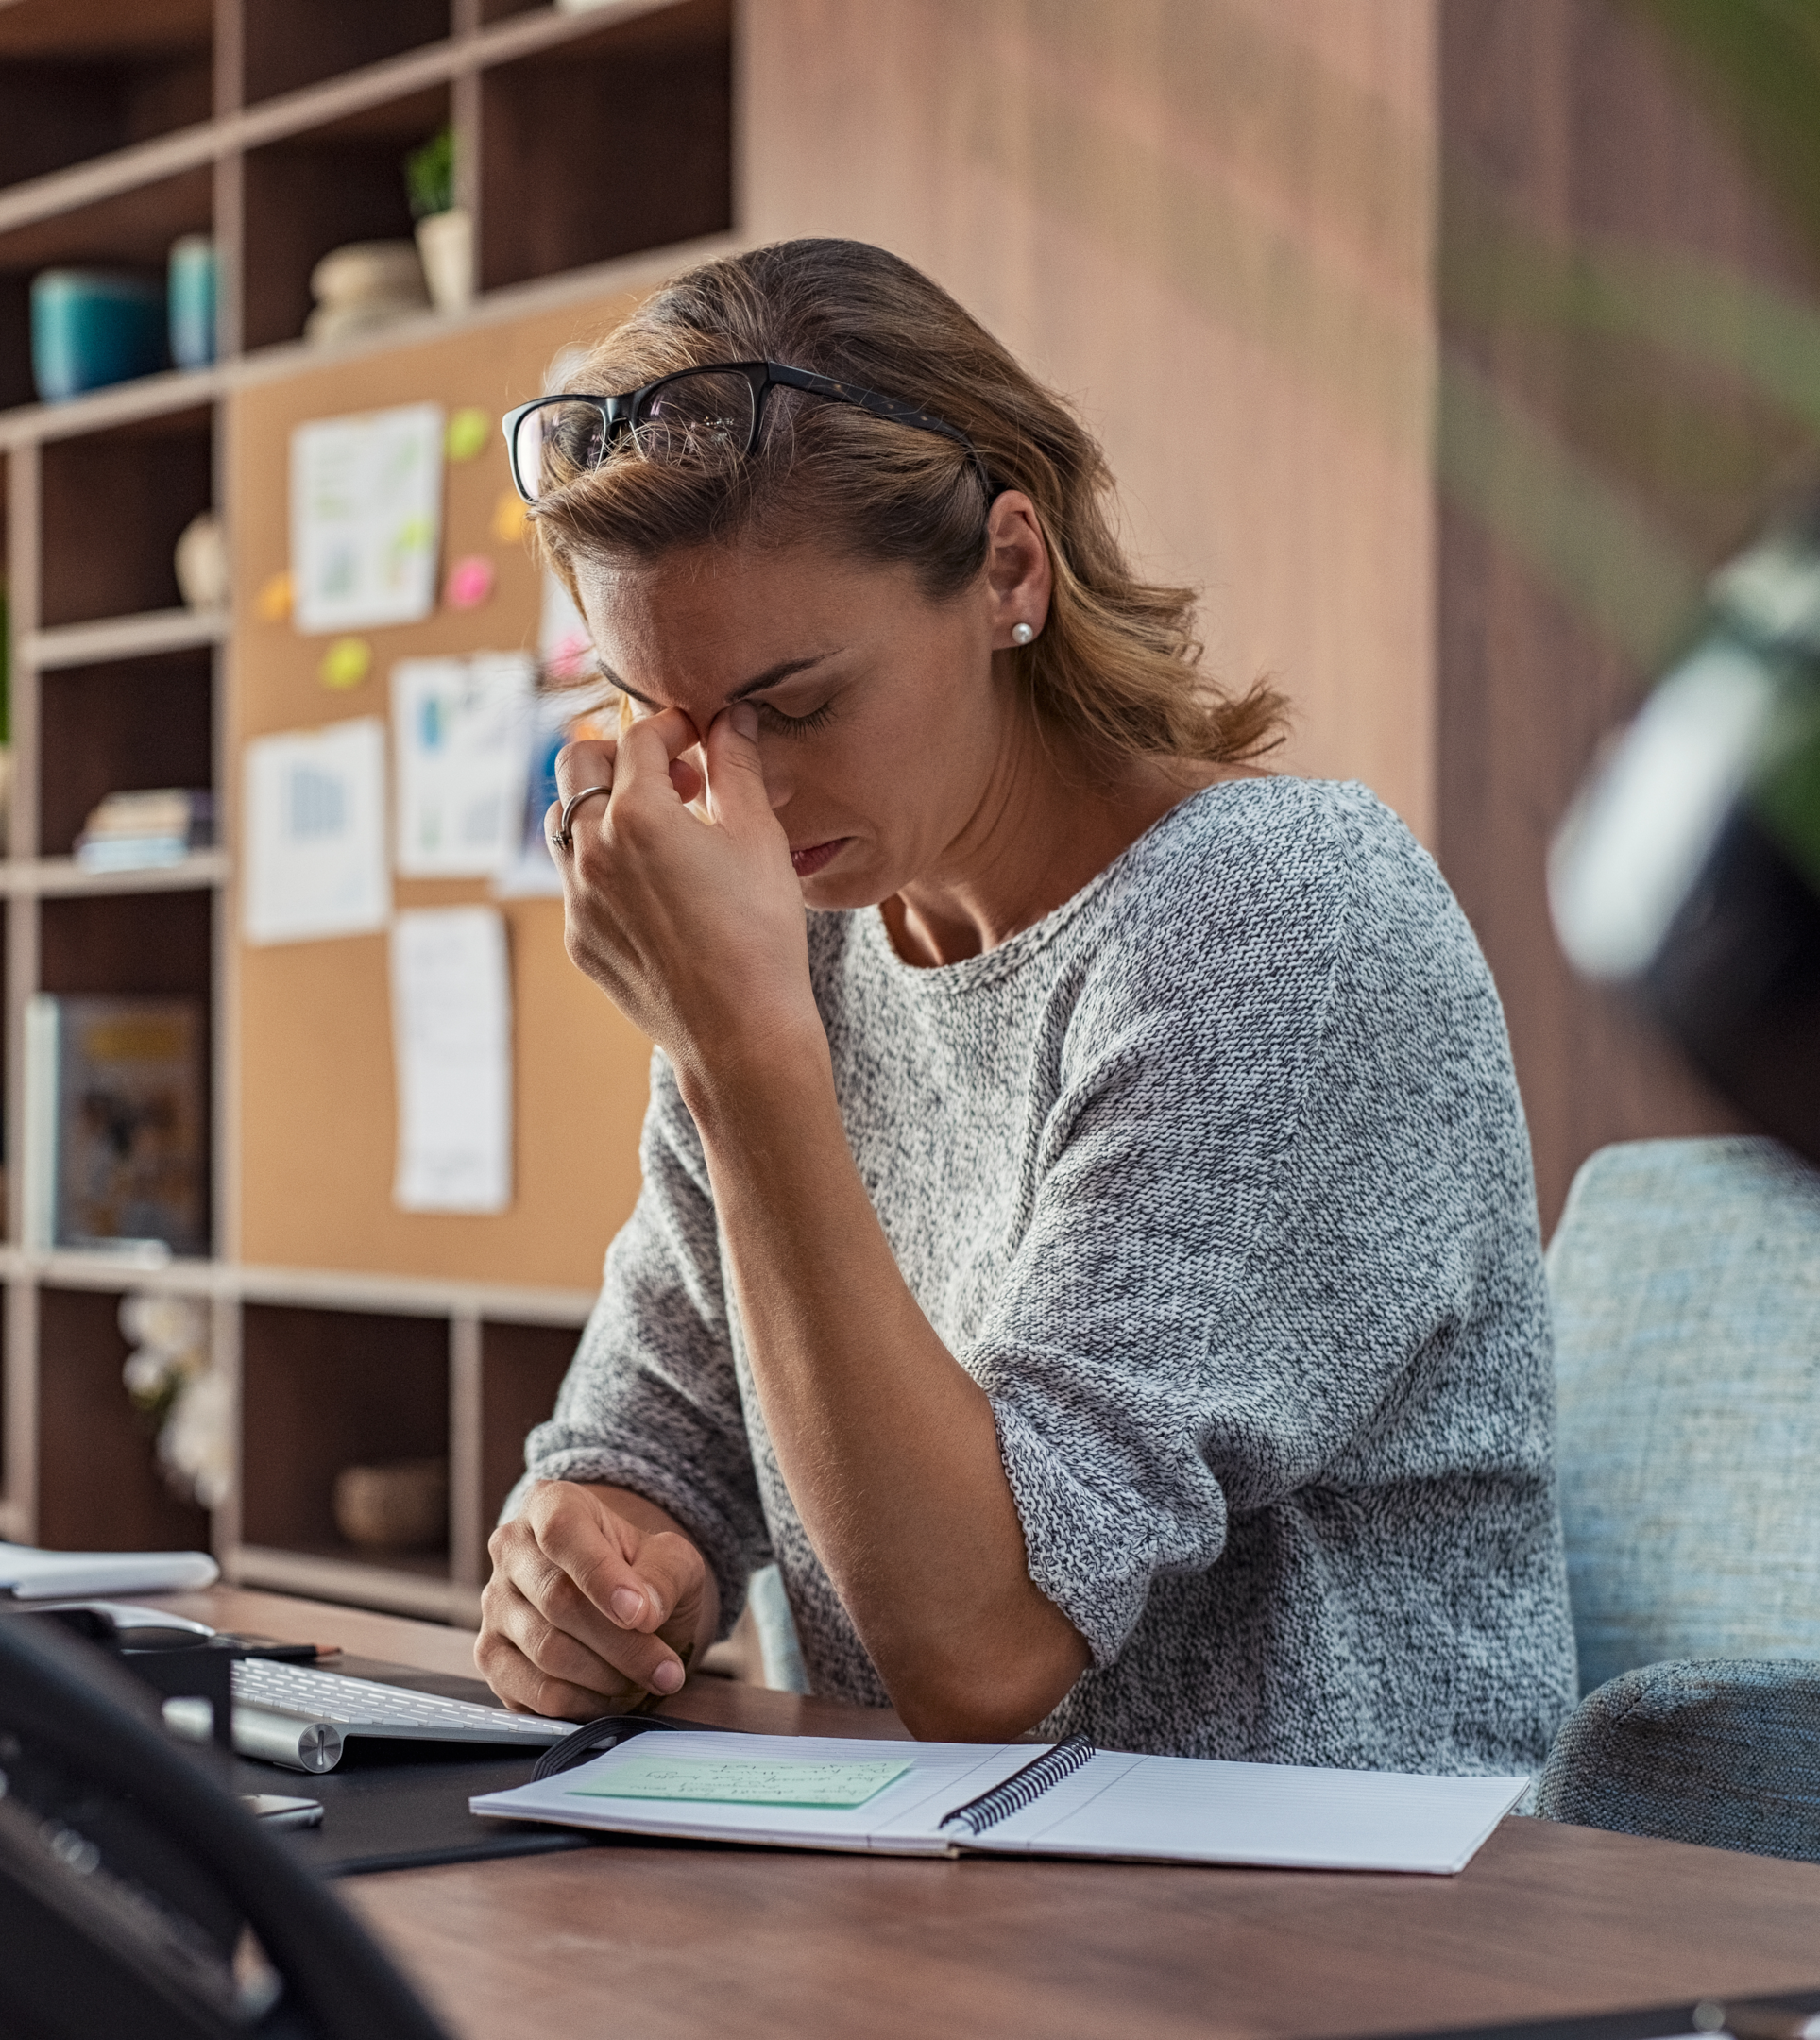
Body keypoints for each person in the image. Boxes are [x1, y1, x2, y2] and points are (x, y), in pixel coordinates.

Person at [476, 238, 1573, 1771]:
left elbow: (985, 1647)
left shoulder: (1277, 925)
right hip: (948, 1911)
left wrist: (739, 1050)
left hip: (1338, 1937)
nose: (737, 792)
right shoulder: (801, 948)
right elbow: (658, 1437)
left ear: (1010, 569)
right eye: (671, 720)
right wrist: (591, 1567)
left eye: (797, 706)